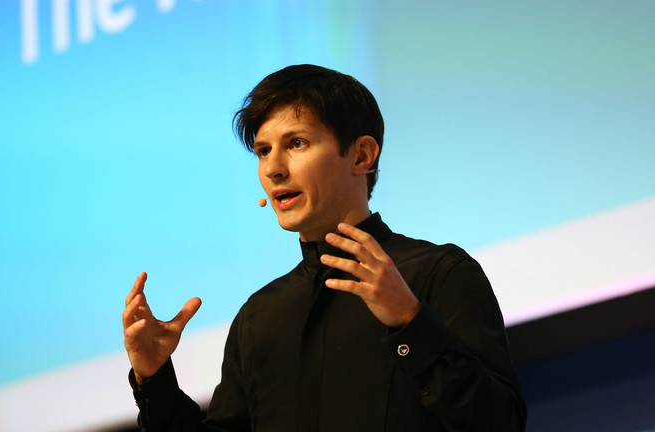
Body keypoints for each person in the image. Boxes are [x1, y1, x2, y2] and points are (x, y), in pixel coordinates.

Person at [122, 64, 527, 431]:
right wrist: (154, 380)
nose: (273, 168)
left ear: (362, 155)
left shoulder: (439, 274)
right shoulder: (258, 317)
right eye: (263, 150)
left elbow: (500, 425)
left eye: (296, 143)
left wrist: (410, 321)